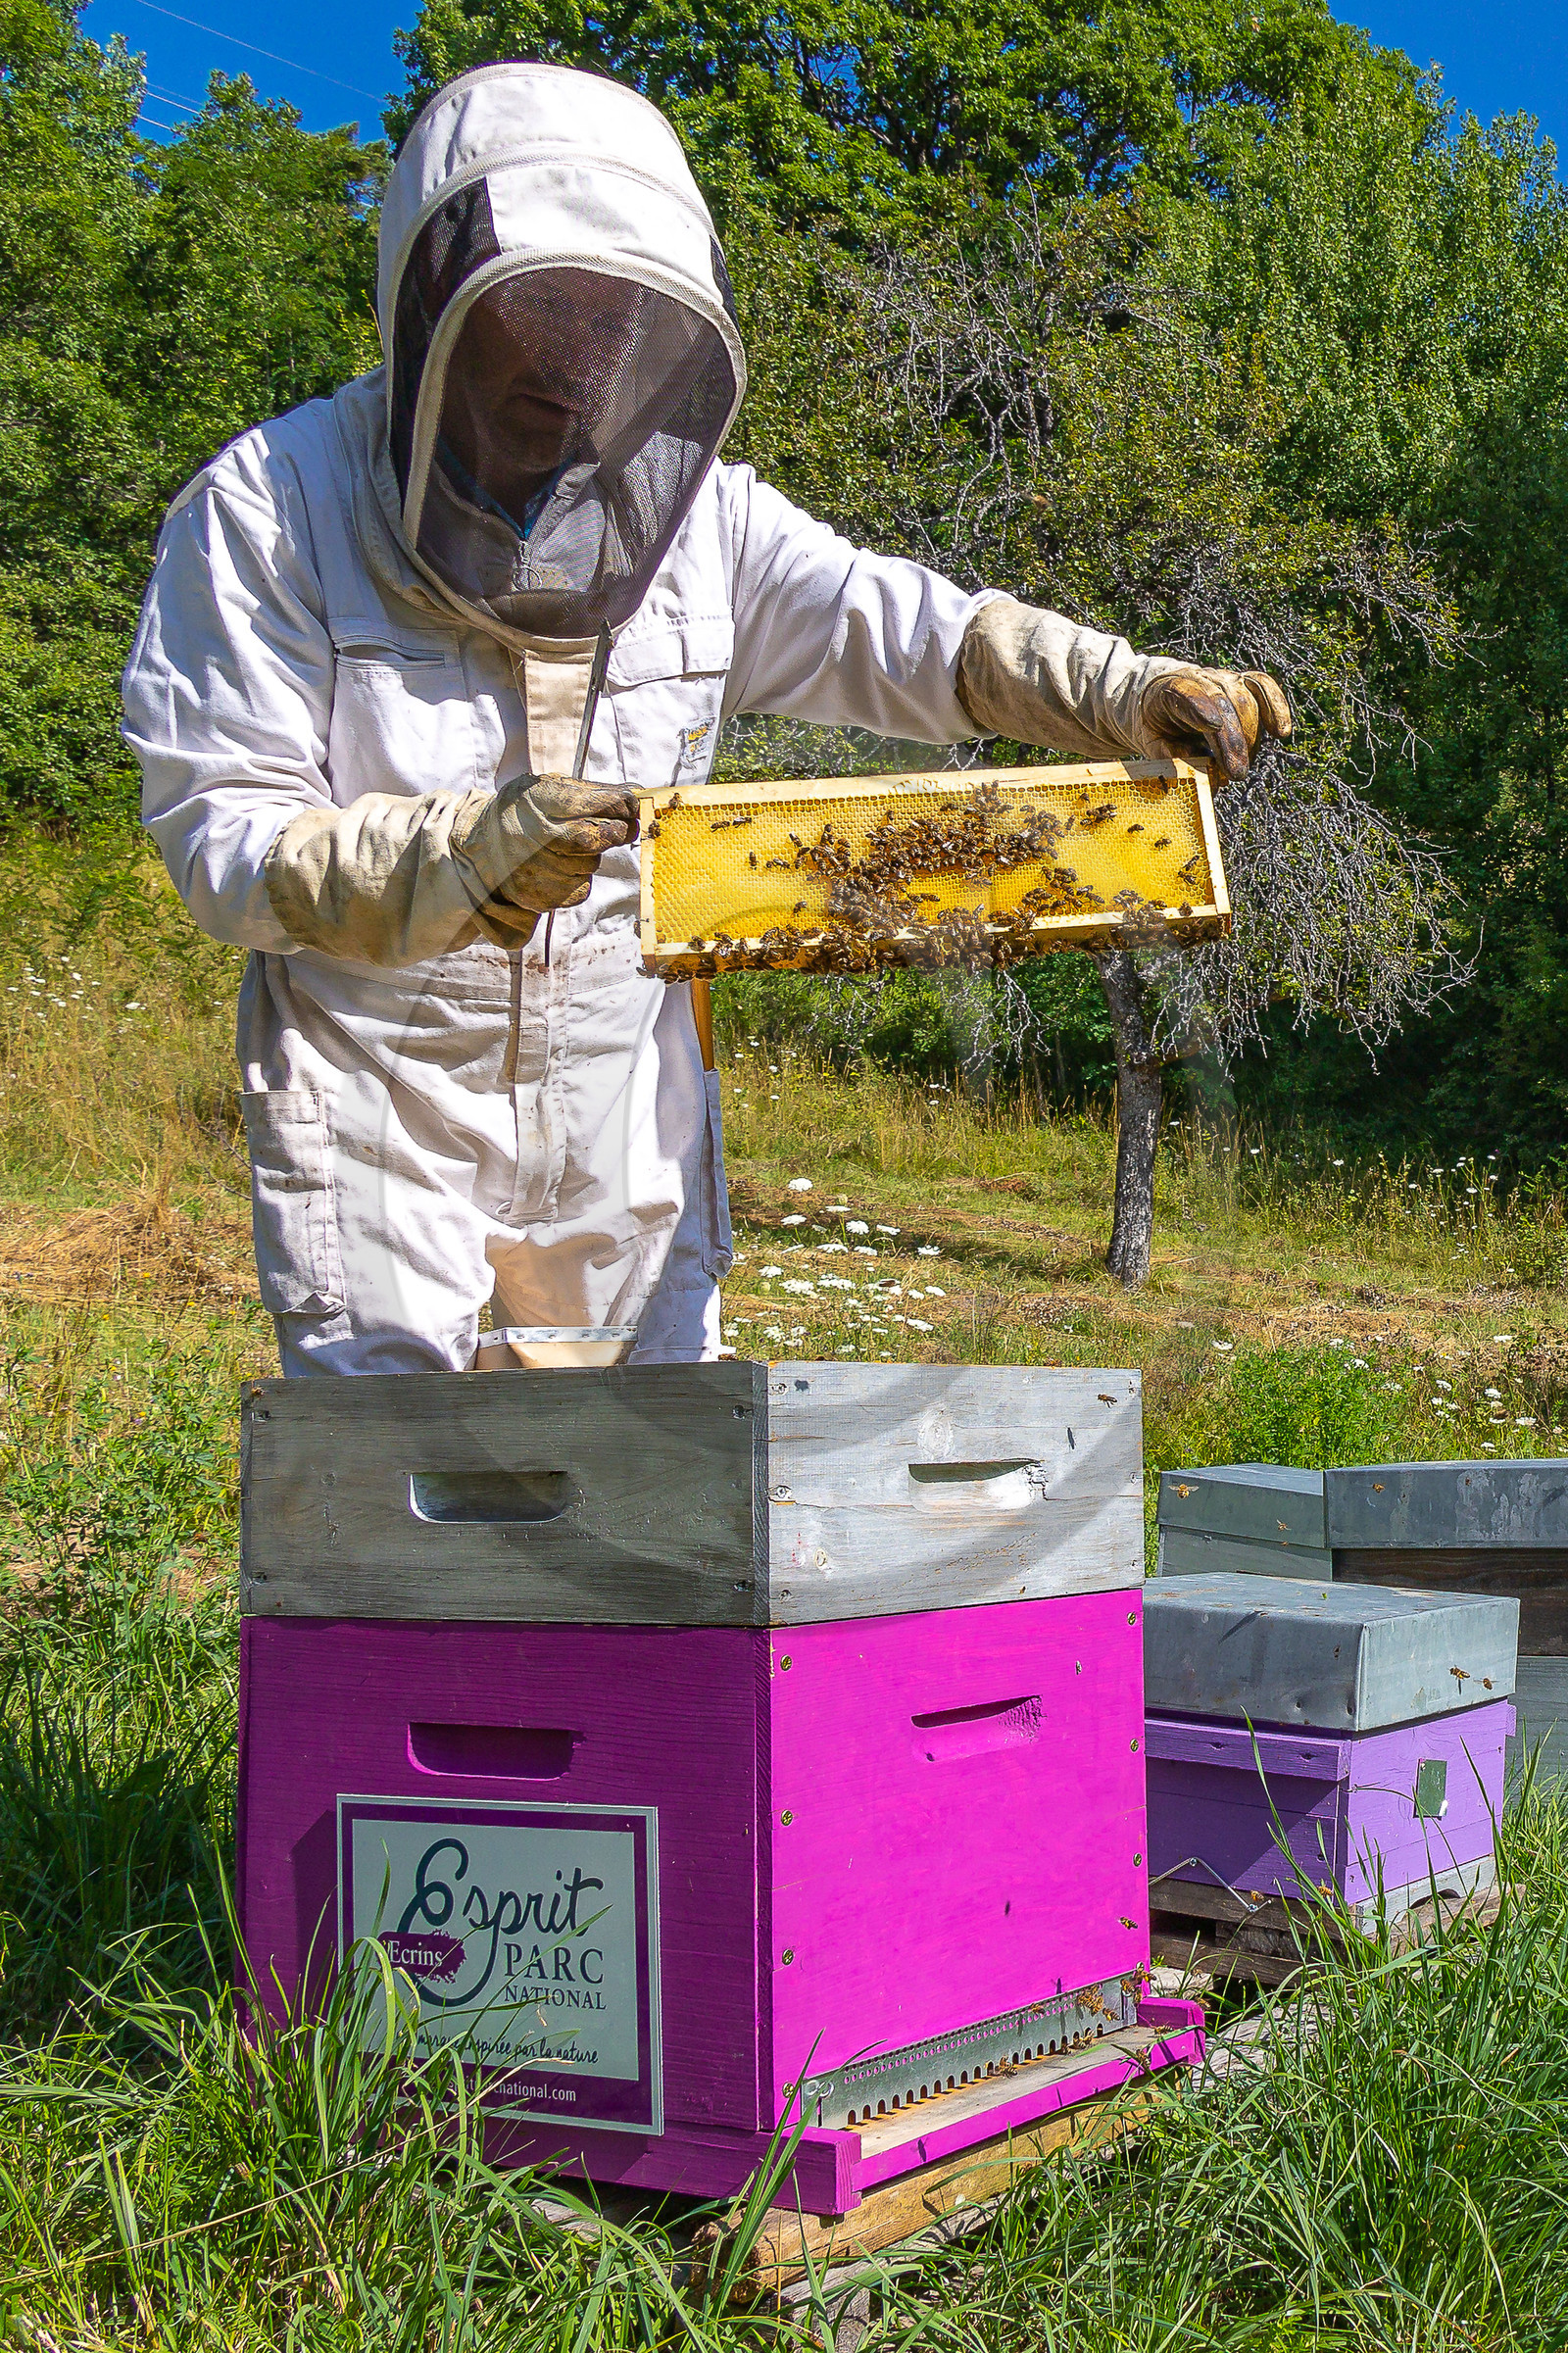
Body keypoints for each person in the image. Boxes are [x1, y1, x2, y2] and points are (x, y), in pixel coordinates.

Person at [122, 61, 1290, 1378]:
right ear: (429, 316)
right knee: (415, 1513)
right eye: (536, 341)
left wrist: (1119, 688)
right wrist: (458, 860)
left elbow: (910, 632)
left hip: (623, 1094)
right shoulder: (266, 512)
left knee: (655, 1505)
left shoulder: (701, 524)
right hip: (381, 1093)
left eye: (604, 345)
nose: (570, 384)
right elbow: (225, 843)